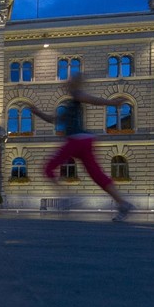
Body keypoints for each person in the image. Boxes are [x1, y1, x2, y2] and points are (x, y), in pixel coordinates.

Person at [25, 73, 135, 222]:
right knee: (97, 175)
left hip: (77, 140)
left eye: (69, 81)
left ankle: (67, 197)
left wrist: (112, 103)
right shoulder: (70, 103)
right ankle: (123, 203)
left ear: (74, 84)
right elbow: (53, 120)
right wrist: (37, 112)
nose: (66, 84)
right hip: (85, 141)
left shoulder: (77, 95)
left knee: (48, 168)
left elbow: (93, 100)